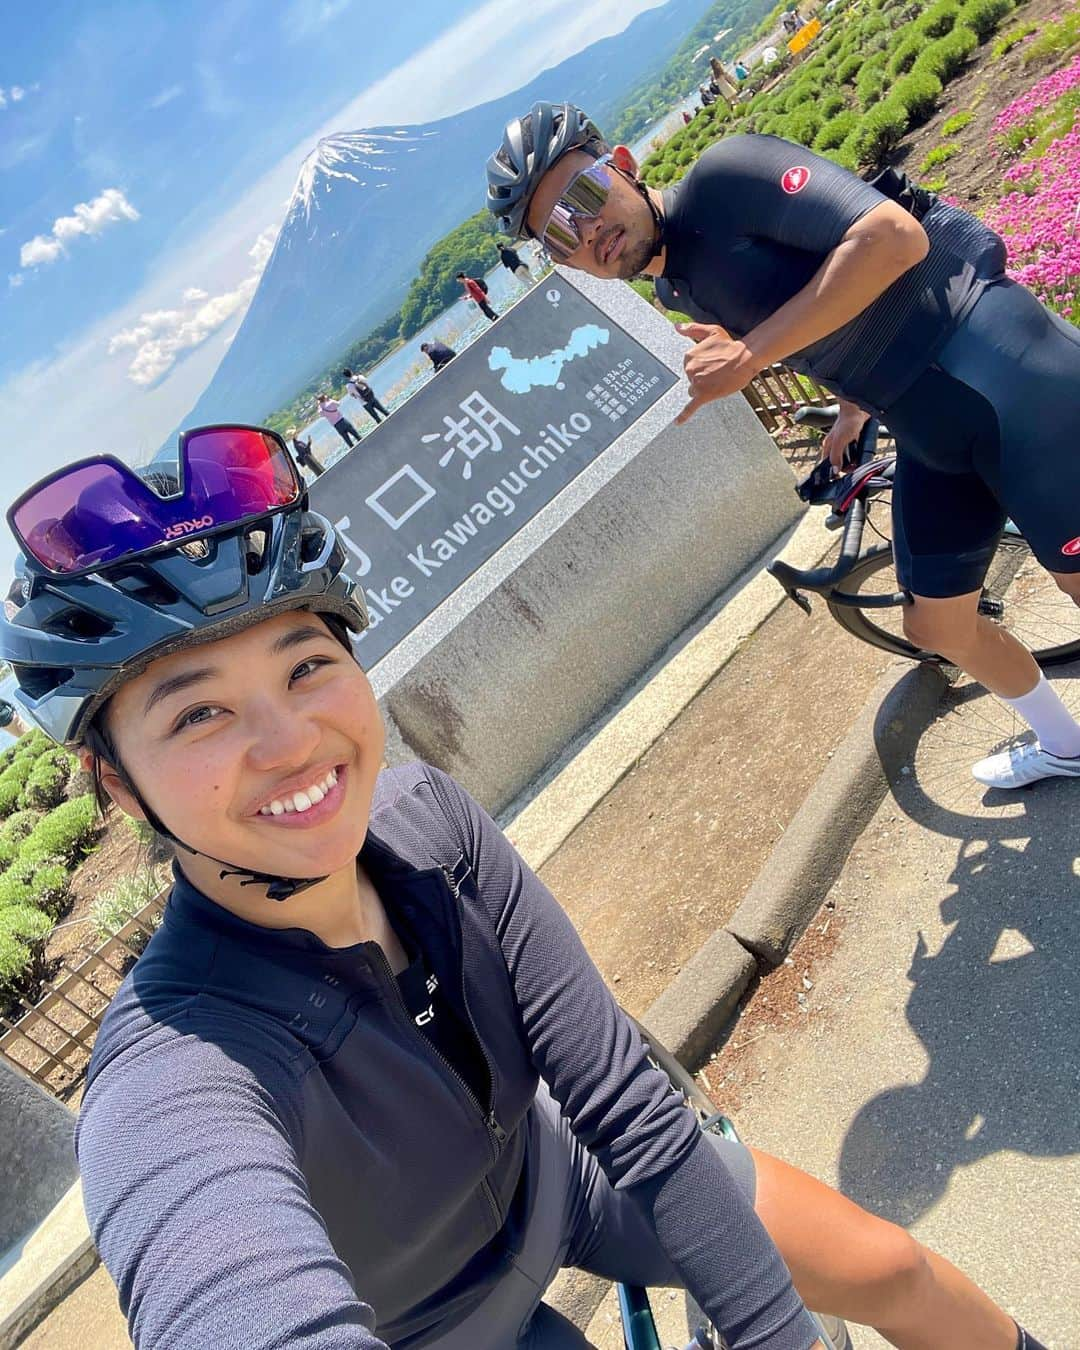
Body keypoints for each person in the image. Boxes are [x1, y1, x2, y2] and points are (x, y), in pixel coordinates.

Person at [0, 431, 1045, 1350]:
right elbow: (220, 1282)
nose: (288, 743)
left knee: (894, 1273)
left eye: (305, 666)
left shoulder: (430, 823)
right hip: (428, 1328)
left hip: (563, 1179)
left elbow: (628, 1108)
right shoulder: (175, 1072)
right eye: (197, 717)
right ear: (118, 788)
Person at [486, 101, 1080, 790]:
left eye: (583, 194)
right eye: (558, 235)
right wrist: (849, 411)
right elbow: (821, 316)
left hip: (1005, 371)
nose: (586, 229)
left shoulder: (726, 177)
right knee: (938, 625)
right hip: (929, 428)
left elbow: (892, 240)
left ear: (622, 164)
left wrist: (747, 357)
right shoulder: (677, 284)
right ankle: (1065, 741)